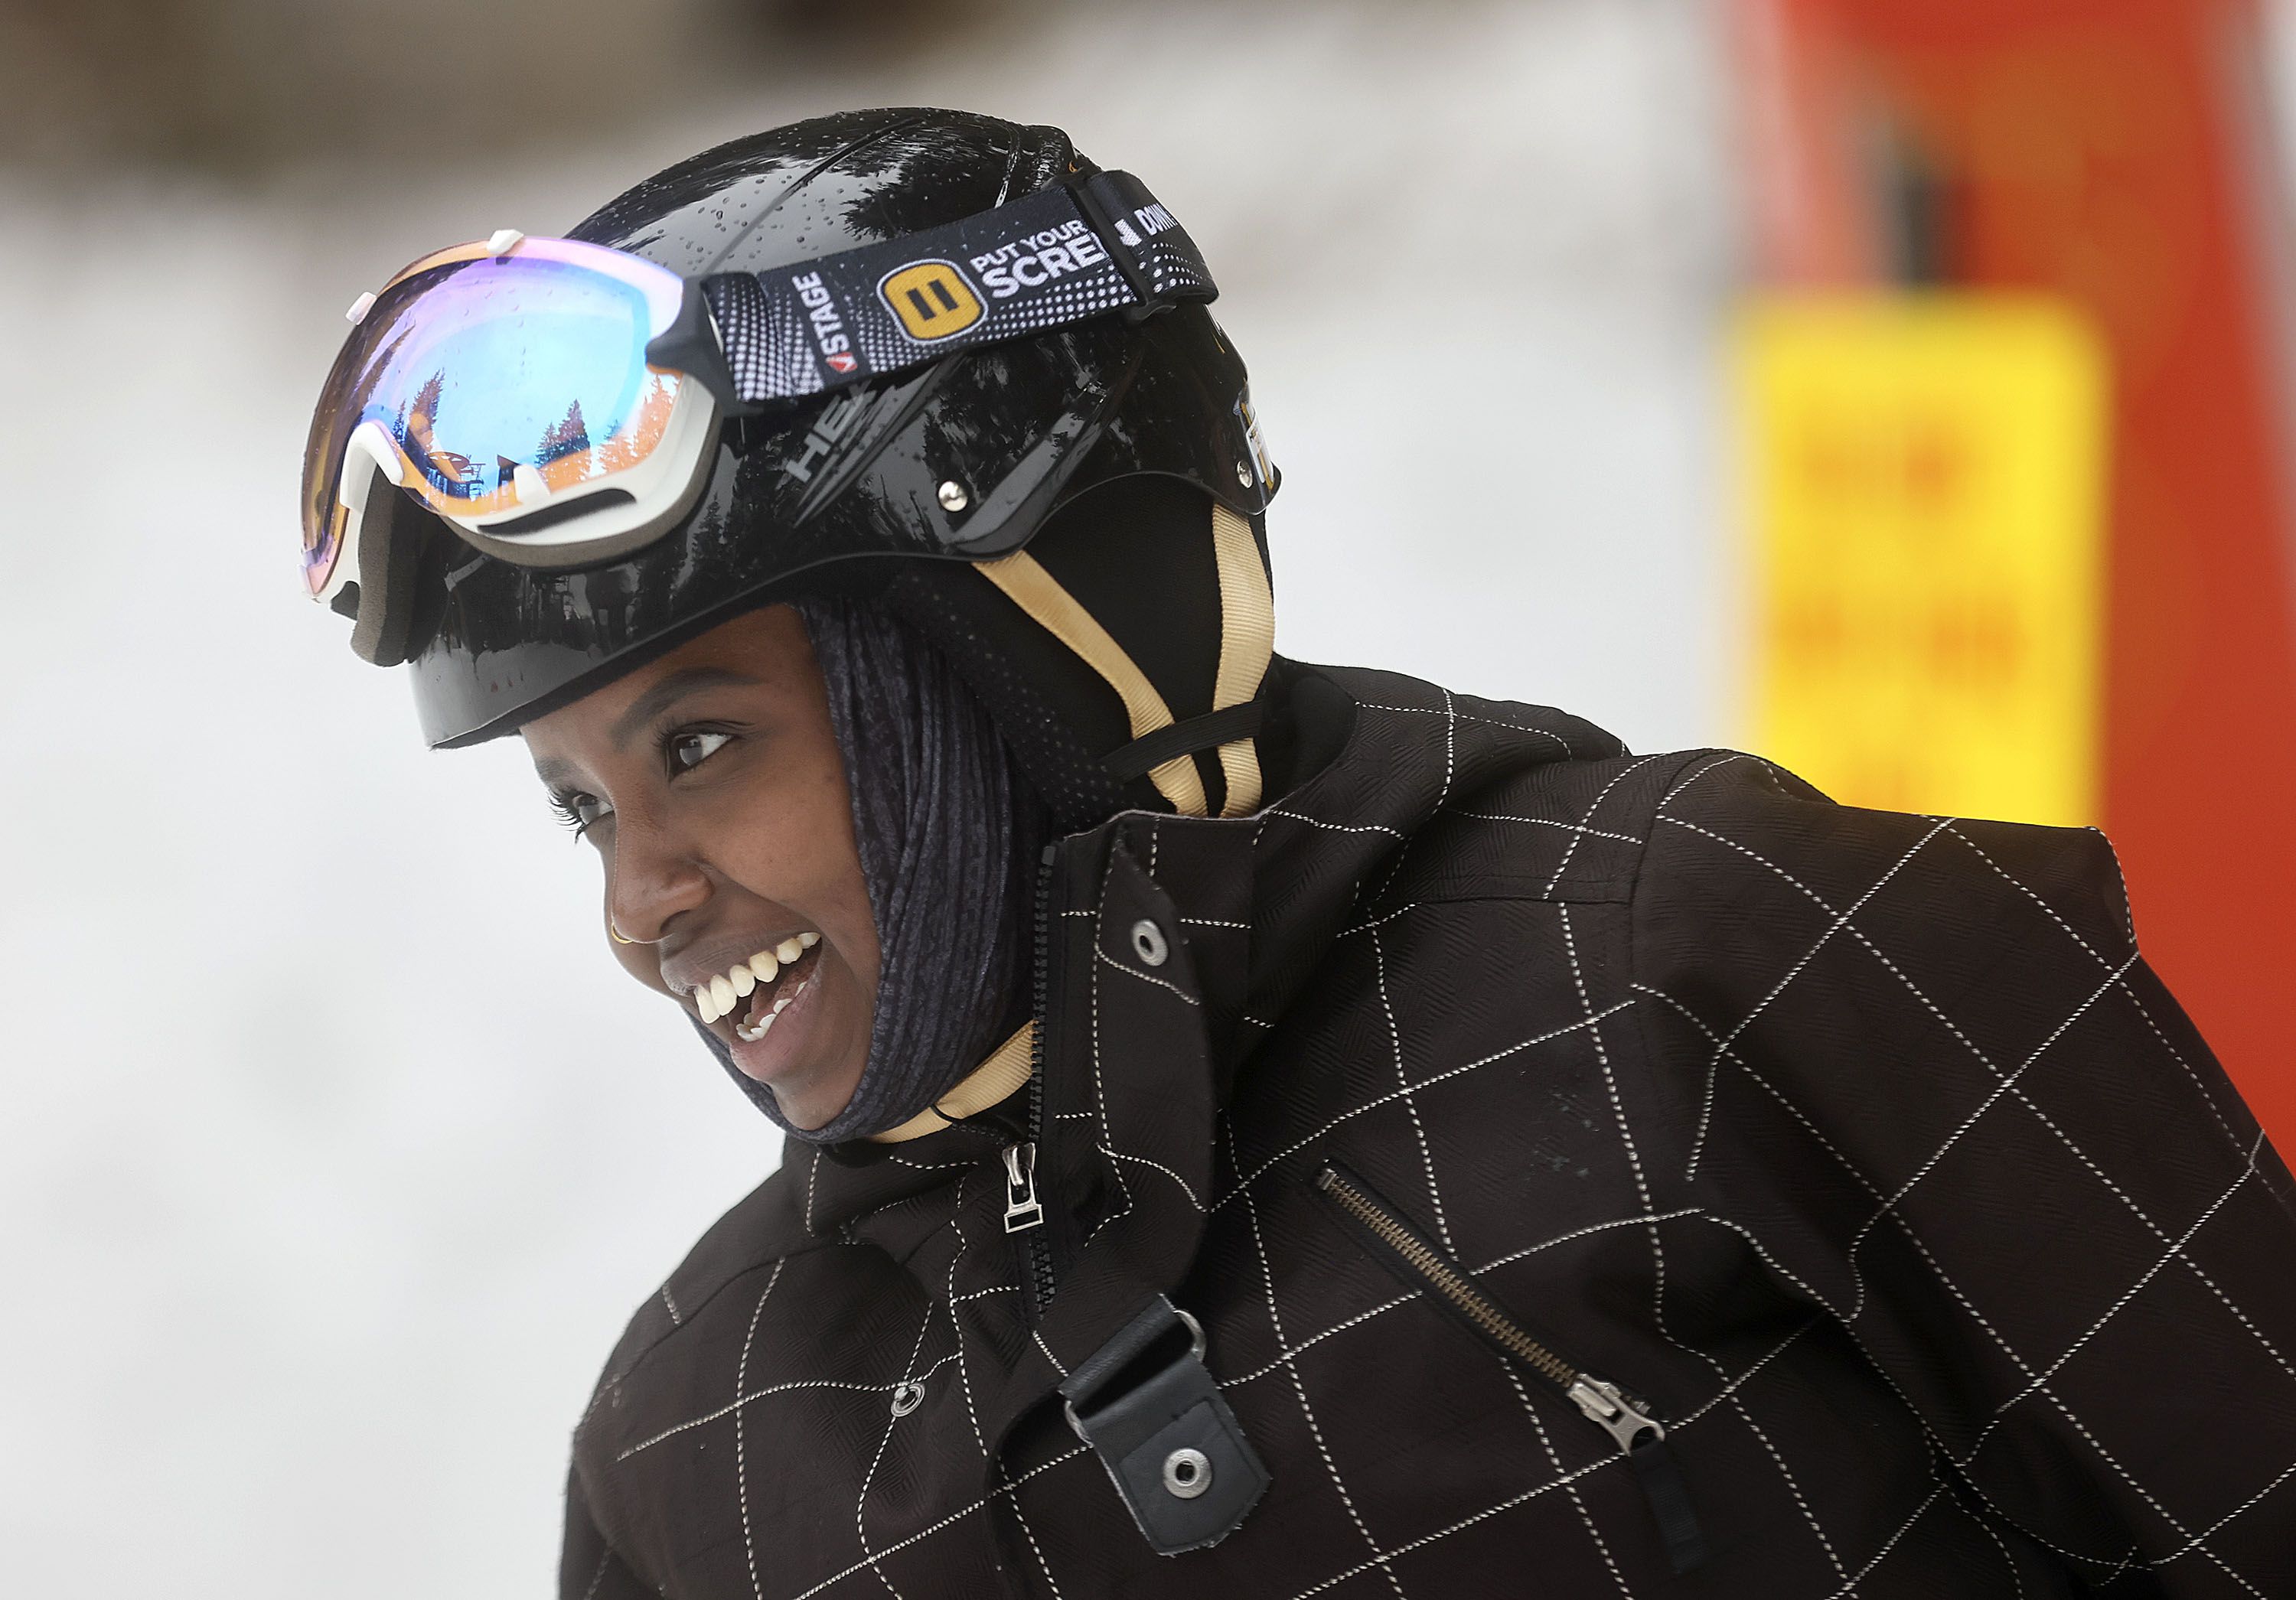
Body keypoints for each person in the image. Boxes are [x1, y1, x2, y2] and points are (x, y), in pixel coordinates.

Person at [298, 109, 2296, 1598]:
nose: (642, 901)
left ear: (1042, 648)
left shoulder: (1710, 967)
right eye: (583, 804)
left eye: (701, 746)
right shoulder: (696, 1453)